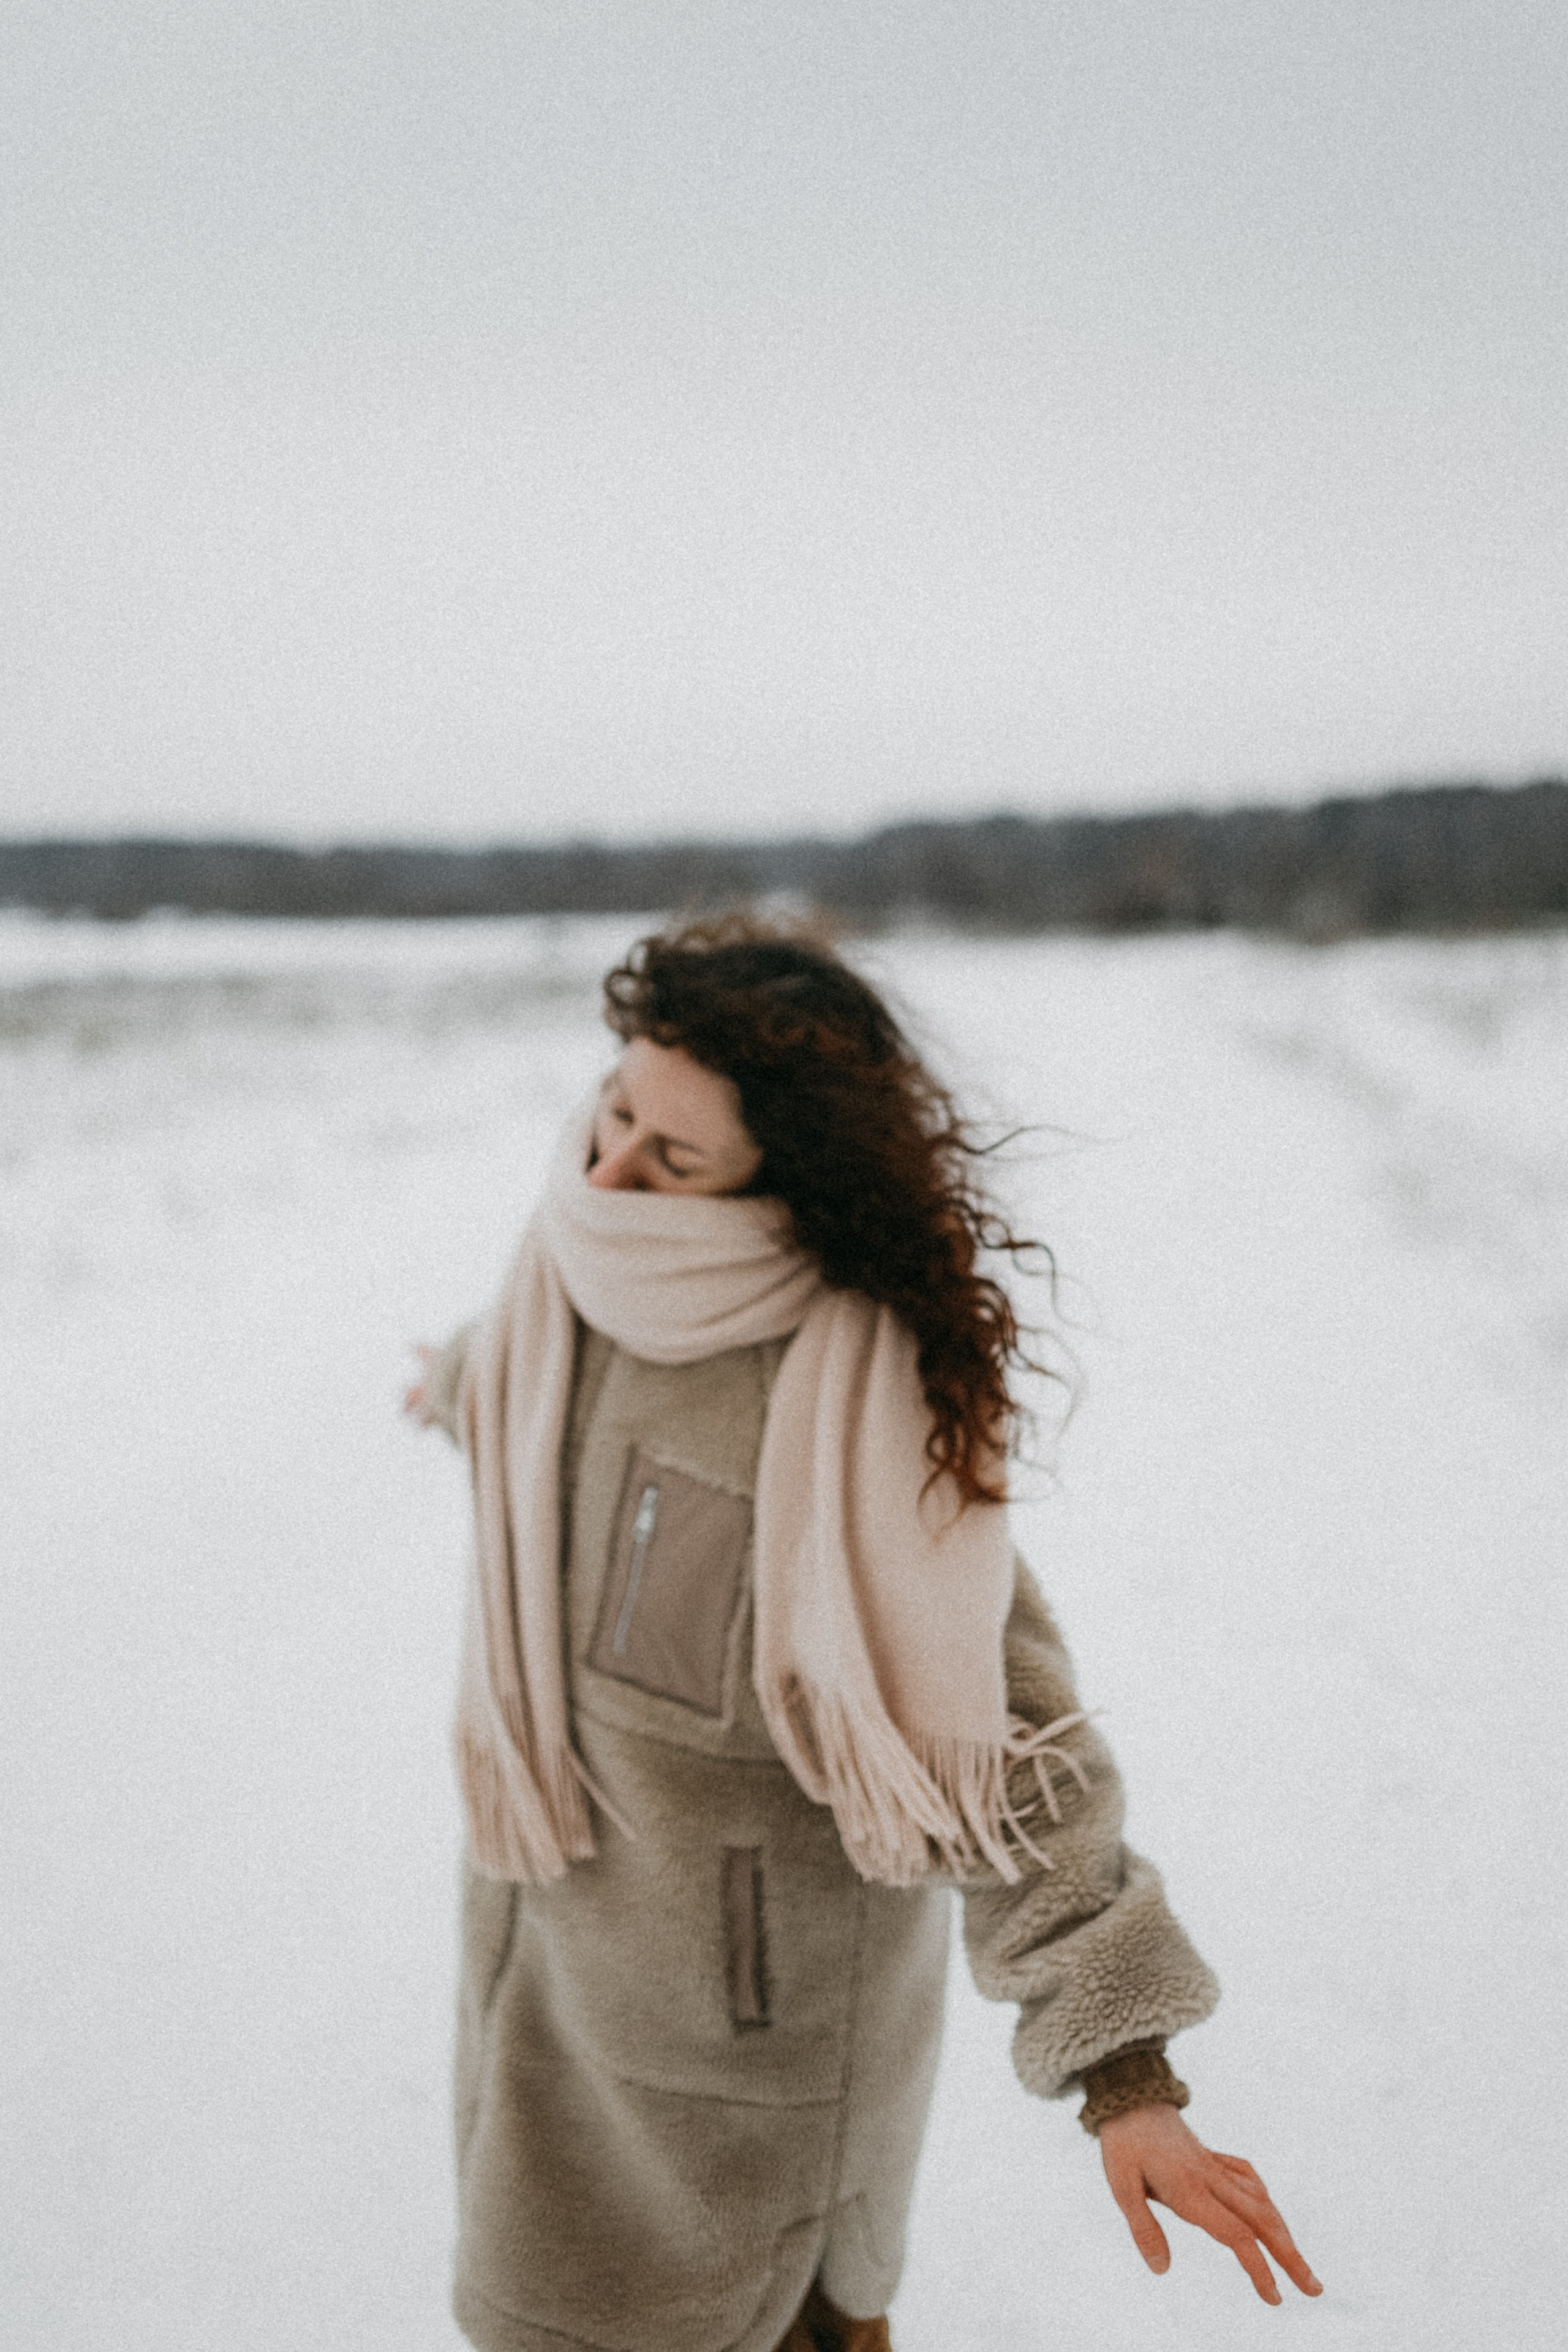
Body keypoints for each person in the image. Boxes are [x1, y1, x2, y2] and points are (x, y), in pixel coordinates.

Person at [405, 916, 1319, 2352]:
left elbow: (998, 1744)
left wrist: (1126, 2077)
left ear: (779, 1186)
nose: (608, 1171)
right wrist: (450, 1380)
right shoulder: (561, 1288)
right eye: (616, 1109)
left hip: (742, 2088)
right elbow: (514, 1402)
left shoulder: (845, 1418)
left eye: (674, 1158)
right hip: (547, 2009)